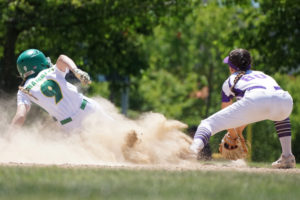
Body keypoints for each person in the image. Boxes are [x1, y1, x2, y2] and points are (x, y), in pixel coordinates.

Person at [190, 48, 295, 168]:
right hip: (286, 100)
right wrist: (238, 132)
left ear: (231, 67)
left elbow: (228, 112)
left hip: (256, 99)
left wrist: (234, 135)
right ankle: (287, 156)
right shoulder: (261, 74)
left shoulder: (230, 80)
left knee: (206, 124)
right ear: (249, 65)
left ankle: (192, 152)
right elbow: (251, 111)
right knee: (281, 115)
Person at [11, 49, 113, 133]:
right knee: (113, 131)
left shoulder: (23, 91)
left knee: (94, 151)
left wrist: (8, 139)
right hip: (87, 108)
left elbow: (20, 116)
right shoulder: (51, 71)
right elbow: (62, 58)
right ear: (39, 63)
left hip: (69, 125)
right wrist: (76, 70)